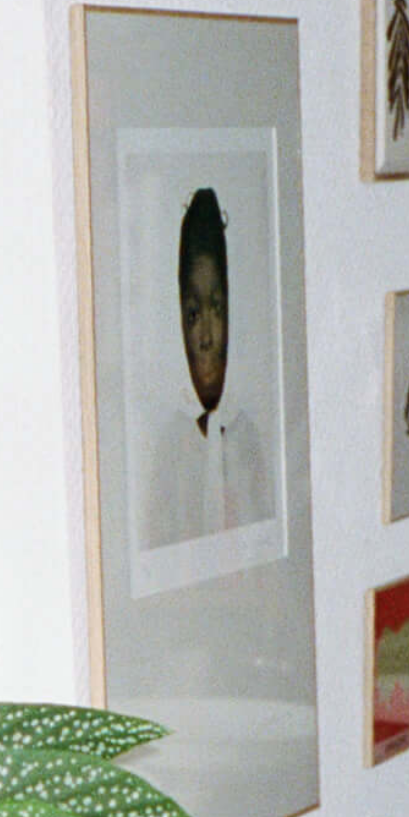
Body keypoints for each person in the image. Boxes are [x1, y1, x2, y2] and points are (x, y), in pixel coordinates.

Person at [140, 186, 271, 549]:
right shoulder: (168, 449)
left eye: (218, 308)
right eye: (194, 314)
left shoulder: (250, 440)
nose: (208, 337)